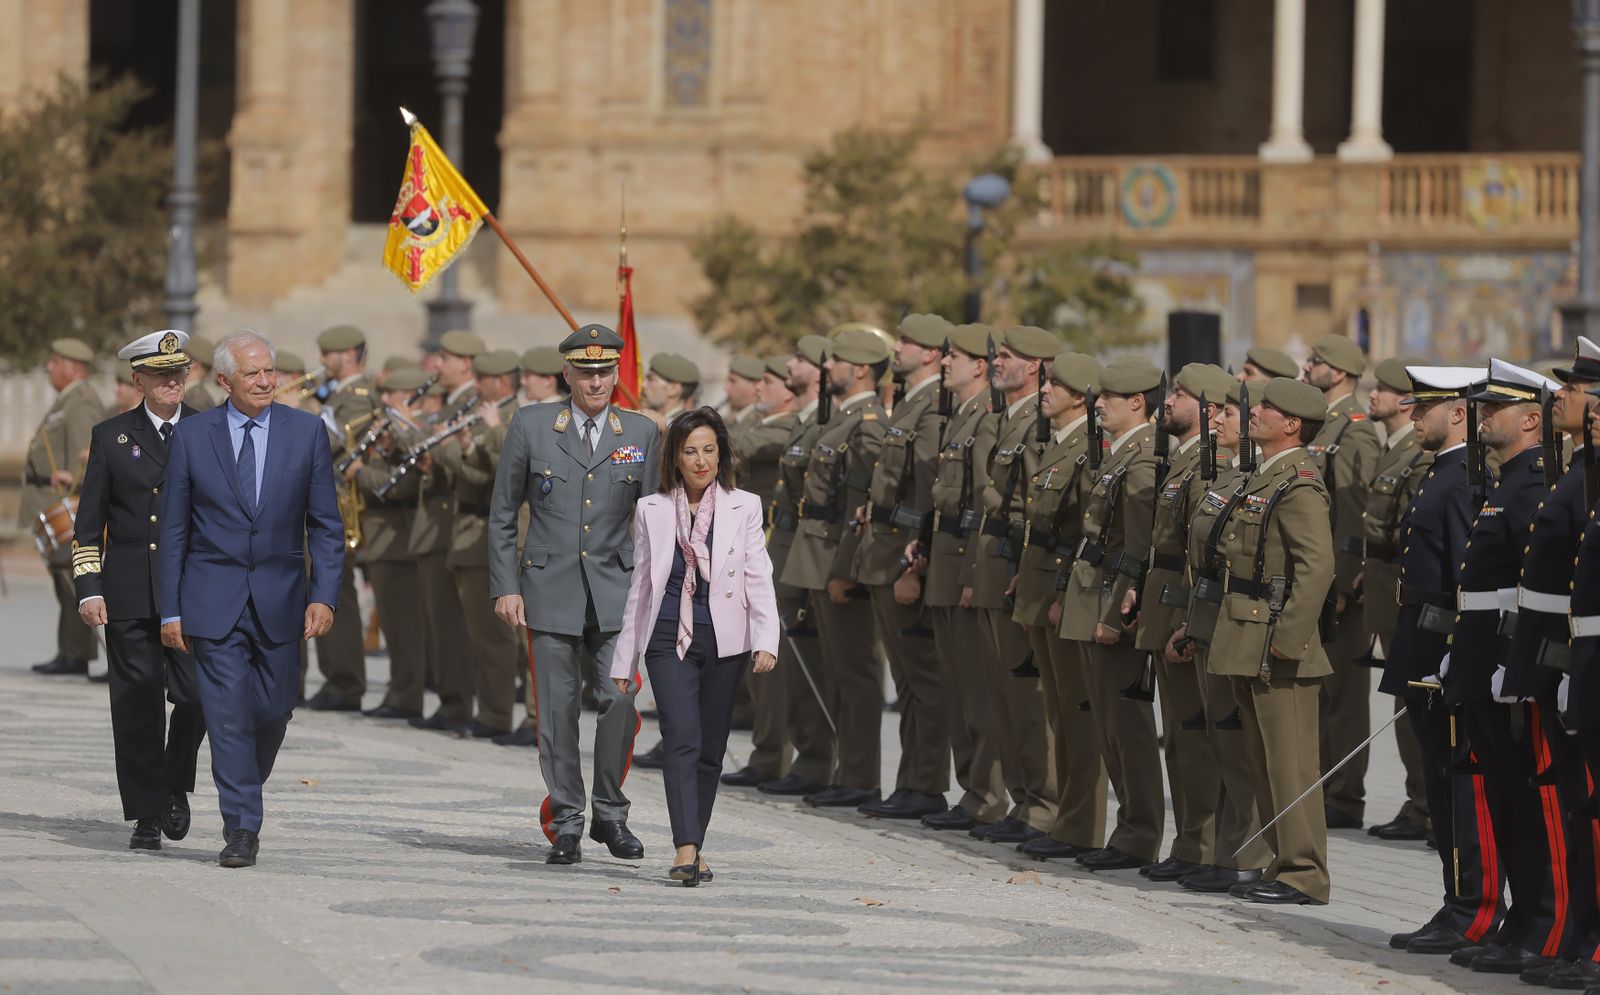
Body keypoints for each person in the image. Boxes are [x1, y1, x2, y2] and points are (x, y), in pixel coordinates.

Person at [158, 330, 343, 868]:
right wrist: (171, 610)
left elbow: (326, 526)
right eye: (252, 373)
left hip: (282, 601)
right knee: (227, 716)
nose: (265, 381)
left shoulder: (305, 433)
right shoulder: (194, 437)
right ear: (223, 381)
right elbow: (174, 532)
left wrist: (325, 595)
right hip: (211, 602)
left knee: (272, 711)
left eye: (270, 371)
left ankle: (244, 782)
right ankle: (241, 826)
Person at [489, 323, 660, 865]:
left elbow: (655, 520)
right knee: (557, 713)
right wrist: (505, 586)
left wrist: (658, 593)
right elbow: (502, 514)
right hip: (549, 589)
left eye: (605, 372)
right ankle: (566, 820)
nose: (596, 382)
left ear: (616, 374)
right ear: (566, 374)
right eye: (585, 373)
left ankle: (610, 812)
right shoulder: (533, 425)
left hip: (617, 590)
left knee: (620, 702)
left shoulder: (641, 433)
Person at [609, 407, 779, 883]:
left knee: (711, 747)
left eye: (709, 450)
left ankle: (695, 843)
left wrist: (766, 638)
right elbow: (641, 585)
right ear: (675, 459)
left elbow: (758, 576)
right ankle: (685, 849)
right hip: (669, 635)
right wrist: (626, 656)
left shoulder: (745, 504)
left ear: (721, 454)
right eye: (690, 452)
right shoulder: (652, 509)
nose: (701, 460)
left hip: (726, 638)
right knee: (681, 739)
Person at [1443, 359, 1569, 973]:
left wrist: (1515, 662)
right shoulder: (1506, 482)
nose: (1481, 418)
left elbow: (1536, 587)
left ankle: (1543, 921)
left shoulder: (1534, 483)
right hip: (1483, 660)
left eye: (1493, 410)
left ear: (1529, 419)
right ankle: (1523, 916)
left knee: (1527, 802)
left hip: (1506, 668)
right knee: (1504, 799)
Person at [1376, 365, 1503, 957]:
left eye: (1422, 406)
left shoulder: (1466, 482)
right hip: (1420, 641)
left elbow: (1465, 581)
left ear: (1458, 412)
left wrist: (1457, 654)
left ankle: (1471, 908)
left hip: (1442, 648)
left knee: (1460, 788)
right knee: (1442, 783)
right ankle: (1460, 900)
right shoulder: (1441, 475)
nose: (1412, 415)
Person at [73, 330, 207, 850]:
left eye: (179, 372)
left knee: (196, 697)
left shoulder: (208, 429)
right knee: (136, 705)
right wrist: (89, 587)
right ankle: (147, 812)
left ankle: (174, 782)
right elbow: (89, 525)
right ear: (139, 380)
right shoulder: (111, 436)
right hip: (129, 590)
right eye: (160, 374)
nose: (172, 382)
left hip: (192, 593)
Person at [1205, 376, 1335, 905]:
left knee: (1291, 764)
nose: (1253, 412)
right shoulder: (1267, 475)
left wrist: (1289, 637)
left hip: (1278, 641)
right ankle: (1281, 861)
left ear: (1292, 425)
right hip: (1247, 632)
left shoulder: (1299, 481)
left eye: (1267, 407)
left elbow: (1318, 566)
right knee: (1262, 761)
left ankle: (1305, 873)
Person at [1057, 358, 1165, 872]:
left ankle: (1140, 832)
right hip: (1091, 594)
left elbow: (1137, 549)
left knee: (1127, 727)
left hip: (1111, 603)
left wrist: (1118, 612)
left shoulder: (1142, 458)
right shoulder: (1118, 453)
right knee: (1106, 724)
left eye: (1108, 398)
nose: (1097, 404)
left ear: (1138, 402)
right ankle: (1128, 828)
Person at [1133, 362, 1238, 883]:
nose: (1168, 401)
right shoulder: (1182, 460)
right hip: (1167, 606)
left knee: (1200, 737)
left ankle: (1208, 843)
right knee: (1180, 735)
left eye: (1180, 393)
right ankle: (1190, 841)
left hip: (1186, 612)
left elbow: (1203, 557)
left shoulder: (1210, 466)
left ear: (1210, 410)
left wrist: (1189, 623)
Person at [778, 327, 889, 809]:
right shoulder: (841, 419)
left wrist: (845, 568)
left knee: (856, 672)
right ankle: (845, 770)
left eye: (835, 361)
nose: (827, 369)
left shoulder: (868, 425)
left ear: (859, 368)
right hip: (818, 557)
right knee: (835, 672)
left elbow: (861, 506)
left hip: (839, 561)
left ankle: (861, 775)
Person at [965, 325, 1060, 845]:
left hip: (1016, 570)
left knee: (1029, 702)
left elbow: (1026, 507)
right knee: (1002, 698)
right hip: (991, 566)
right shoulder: (1004, 420)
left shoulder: (1036, 425)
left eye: (1008, 356)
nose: (997, 362)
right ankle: (1023, 800)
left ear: (1037, 367)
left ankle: (1045, 804)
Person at [853, 313, 950, 819]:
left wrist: (916, 558)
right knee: (909, 680)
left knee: (922, 677)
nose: (899, 347)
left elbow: (927, 492)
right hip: (885, 550)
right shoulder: (911, 403)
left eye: (909, 342)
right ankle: (912, 780)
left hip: (902, 556)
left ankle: (928, 782)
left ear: (931, 354)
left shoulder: (932, 406)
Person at [1012, 350, 1107, 859]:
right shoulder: (1058, 446)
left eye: (1057, 384)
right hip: (1041, 589)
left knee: (1077, 715)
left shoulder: (1089, 451)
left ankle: (1082, 824)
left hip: (1062, 594)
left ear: (1082, 397)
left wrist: (1061, 594)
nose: (1045, 390)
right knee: (1058, 712)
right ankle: (1069, 821)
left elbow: (1085, 535)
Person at [1301, 334, 1381, 831]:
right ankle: (1326, 786)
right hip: (1320, 581)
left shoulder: (1354, 431)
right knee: (1322, 692)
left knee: (1345, 695)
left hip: (1339, 584)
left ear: (1343, 373)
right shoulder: (1322, 425)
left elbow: (1355, 513)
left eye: (1317, 362)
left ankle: (1346, 796)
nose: (1308, 367)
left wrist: (1349, 582)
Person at [1359, 357, 1434, 843]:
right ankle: (1417, 800)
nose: (1373, 395)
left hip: (1402, 588)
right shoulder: (1394, 450)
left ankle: (1427, 804)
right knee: (1401, 703)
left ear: (1407, 401)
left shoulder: (1418, 454)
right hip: (1383, 585)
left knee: (1412, 701)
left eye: (1383, 389)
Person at [720, 354, 802, 788]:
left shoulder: (789, 425)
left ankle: (776, 754)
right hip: (752, 549)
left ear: (788, 390)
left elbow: (738, 448)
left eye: (766, 382)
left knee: (773, 659)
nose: (757, 389)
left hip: (772, 550)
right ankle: (768, 752)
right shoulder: (761, 420)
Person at [305, 324, 379, 712]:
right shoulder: (338, 395)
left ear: (349, 354)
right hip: (328, 504)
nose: (321, 361)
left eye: (328, 353)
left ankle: (346, 681)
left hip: (341, 507)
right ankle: (337, 677)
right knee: (327, 594)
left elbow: (335, 442)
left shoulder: (358, 396)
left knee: (338, 597)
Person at [25, 337, 108, 678]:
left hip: (69, 505)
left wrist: (76, 482)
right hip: (54, 503)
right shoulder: (69, 400)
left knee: (74, 581)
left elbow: (88, 454)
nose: (48, 367)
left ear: (72, 367)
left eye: (55, 361)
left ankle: (76, 653)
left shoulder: (81, 402)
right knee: (63, 583)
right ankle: (70, 651)